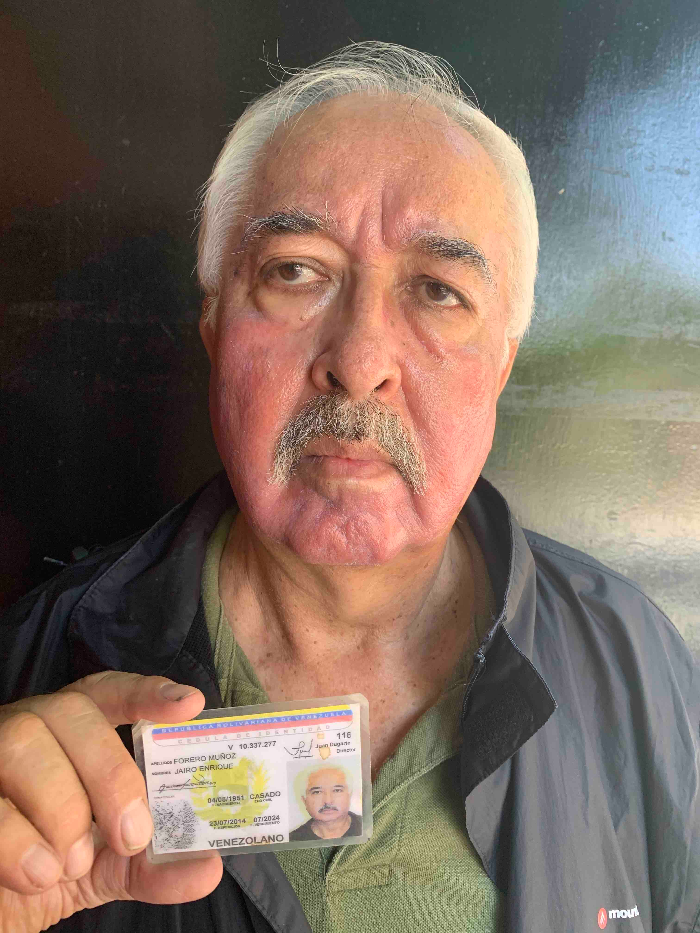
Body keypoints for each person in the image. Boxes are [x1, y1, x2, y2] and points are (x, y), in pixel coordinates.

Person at [0, 40, 698, 933]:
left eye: (438, 290)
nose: (360, 360)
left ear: (502, 365)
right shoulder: (30, 666)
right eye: (295, 270)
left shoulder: (640, 668)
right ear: (213, 323)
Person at [289, 765, 362, 842]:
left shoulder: (366, 826)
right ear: (304, 800)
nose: (328, 801)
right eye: (317, 792)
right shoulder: (293, 840)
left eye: (337, 790)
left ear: (349, 795)